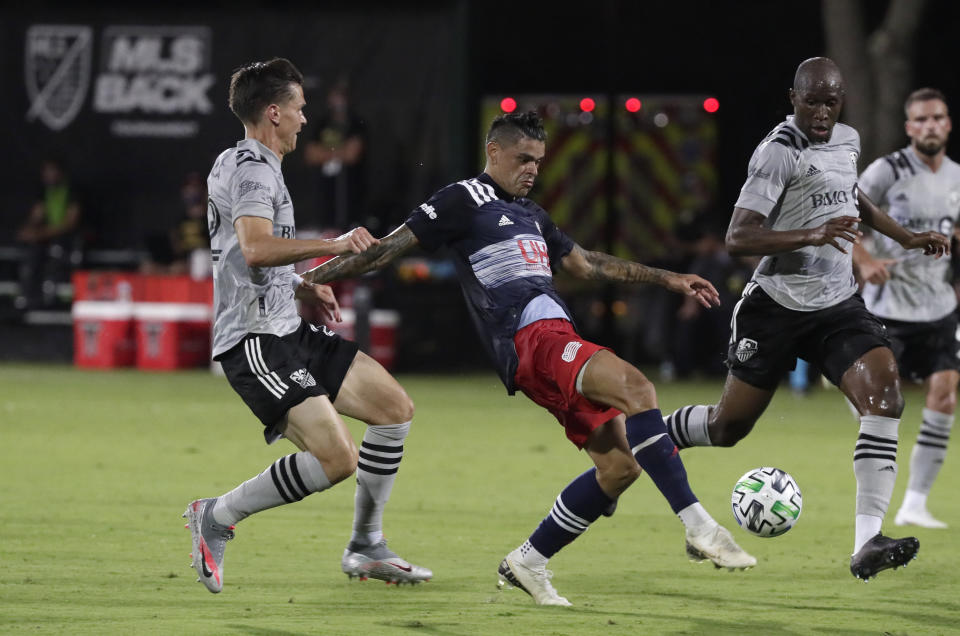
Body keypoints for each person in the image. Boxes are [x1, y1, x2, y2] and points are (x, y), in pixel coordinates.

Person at [303, 110, 756, 606]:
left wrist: (667, 278)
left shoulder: (533, 214)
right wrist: (310, 280)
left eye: (538, 161)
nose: (532, 169)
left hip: (552, 338)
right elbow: (385, 251)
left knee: (620, 468)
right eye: (523, 159)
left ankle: (530, 560)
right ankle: (699, 526)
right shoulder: (461, 199)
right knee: (637, 389)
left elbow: (587, 263)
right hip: (529, 338)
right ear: (493, 152)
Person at [659, 58, 950, 581]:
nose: (821, 111)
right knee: (728, 429)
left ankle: (867, 543)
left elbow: (850, 194)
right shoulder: (777, 152)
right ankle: (652, 437)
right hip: (774, 305)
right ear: (793, 97)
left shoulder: (846, 139)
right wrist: (811, 235)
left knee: (885, 399)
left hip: (835, 304)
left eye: (830, 101)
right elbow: (739, 236)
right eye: (811, 100)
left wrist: (904, 237)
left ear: (842, 102)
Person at [183, 58, 431, 594]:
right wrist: (335, 245)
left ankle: (367, 545)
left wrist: (299, 285)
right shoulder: (252, 167)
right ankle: (217, 516)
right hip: (255, 340)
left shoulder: (256, 164)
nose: (304, 118)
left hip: (286, 326)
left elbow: (241, 253)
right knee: (337, 459)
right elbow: (254, 248)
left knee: (393, 411)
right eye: (298, 108)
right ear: (273, 112)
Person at [852, 87, 960, 529]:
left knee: (945, 394)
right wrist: (865, 261)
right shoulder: (887, 171)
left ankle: (915, 502)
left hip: (938, 308)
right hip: (888, 309)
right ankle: (879, 488)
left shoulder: (956, 176)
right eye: (922, 119)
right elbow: (845, 216)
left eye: (938, 117)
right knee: (878, 406)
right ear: (909, 127)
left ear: (948, 123)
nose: (931, 125)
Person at [15, 158, 82, 309]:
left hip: (66, 239)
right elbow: (37, 214)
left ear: (60, 173)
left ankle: (48, 299)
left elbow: (69, 223)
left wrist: (41, 234)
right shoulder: (44, 190)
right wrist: (28, 230)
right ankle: (26, 297)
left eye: (52, 171)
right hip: (46, 238)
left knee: (55, 255)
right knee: (31, 255)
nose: (48, 175)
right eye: (45, 172)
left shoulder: (71, 190)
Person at [303, 78, 367, 230]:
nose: (339, 100)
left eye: (343, 96)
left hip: (350, 191)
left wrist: (325, 153)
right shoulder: (322, 123)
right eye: (336, 95)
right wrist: (339, 153)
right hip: (324, 190)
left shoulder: (356, 123)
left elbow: (352, 155)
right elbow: (310, 154)